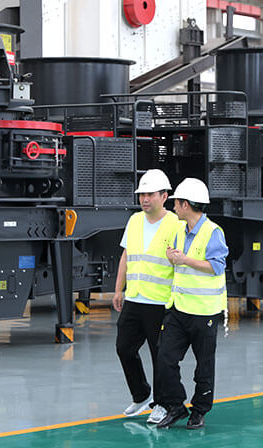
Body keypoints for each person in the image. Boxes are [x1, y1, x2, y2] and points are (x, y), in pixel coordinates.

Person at [155, 178, 229, 430]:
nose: (174, 207)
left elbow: (217, 266)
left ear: (186, 204)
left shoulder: (213, 232)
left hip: (204, 311)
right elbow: (181, 262)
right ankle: (175, 405)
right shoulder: (179, 230)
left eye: (176, 202)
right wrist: (173, 258)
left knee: (204, 365)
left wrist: (185, 259)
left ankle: (199, 411)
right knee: (165, 358)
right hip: (178, 308)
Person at [114, 169, 183, 421]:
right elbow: (126, 255)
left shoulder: (176, 225)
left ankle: (162, 403)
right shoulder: (134, 221)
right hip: (134, 298)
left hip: (160, 302)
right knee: (124, 348)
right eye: (142, 194)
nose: (144, 199)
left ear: (164, 196)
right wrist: (118, 289)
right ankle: (141, 394)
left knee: (160, 356)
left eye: (150, 194)